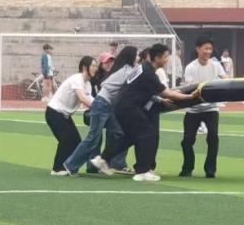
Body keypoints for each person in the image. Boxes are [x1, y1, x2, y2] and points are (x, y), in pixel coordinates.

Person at [92, 44, 201, 182]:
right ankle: (143, 172)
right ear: (157, 58)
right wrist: (190, 97)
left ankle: (102, 159)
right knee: (148, 133)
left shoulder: (143, 67)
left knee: (130, 137)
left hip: (121, 107)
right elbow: (168, 93)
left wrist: (167, 97)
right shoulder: (148, 73)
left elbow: (154, 91)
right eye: (166, 56)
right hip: (129, 108)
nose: (167, 60)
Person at [64, 47, 137, 175]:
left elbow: (105, 84)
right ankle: (71, 165)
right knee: (93, 138)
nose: (138, 58)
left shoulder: (124, 70)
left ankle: (103, 161)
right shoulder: (127, 71)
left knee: (119, 134)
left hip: (106, 105)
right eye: (136, 55)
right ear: (131, 57)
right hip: (102, 104)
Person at [179, 37, 228, 179]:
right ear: (198, 49)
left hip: (211, 108)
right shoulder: (190, 67)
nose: (208, 51)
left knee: (213, 138)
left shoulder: (216, 65)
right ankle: (187, 168)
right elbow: (190, 87)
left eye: (210, 49)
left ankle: (210, 170)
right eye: (205, 48)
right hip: (193, 108)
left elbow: (226, 80)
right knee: (187, 141)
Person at [45, 56, 96, 176]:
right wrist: (100, 108)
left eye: (96, 66)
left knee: (76, 141)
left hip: (64, 115)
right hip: (54, 112)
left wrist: (102, 106)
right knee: (66, 139)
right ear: (85, 67)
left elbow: (91, 100)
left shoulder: (87, 84)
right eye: (93, 65)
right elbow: (83, 98)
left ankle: (67, 167)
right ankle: (57, 169)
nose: (96, 68)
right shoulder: (77, 79)